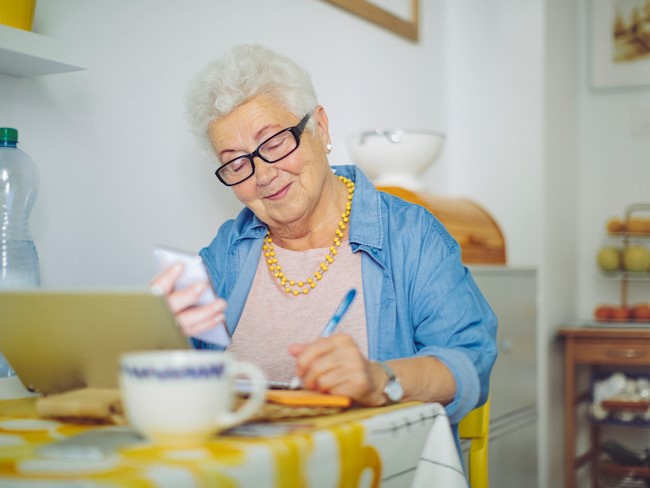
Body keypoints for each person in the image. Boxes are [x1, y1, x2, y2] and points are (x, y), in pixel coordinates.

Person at [152, 44, 497, 441]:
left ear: (320, 126)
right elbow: (179, 373)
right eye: (236, 162)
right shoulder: (229, 250)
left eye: (275, 142)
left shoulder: (410, 234)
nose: (262, 175)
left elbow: (470, 360)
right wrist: (157, 331)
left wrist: (380, 379)